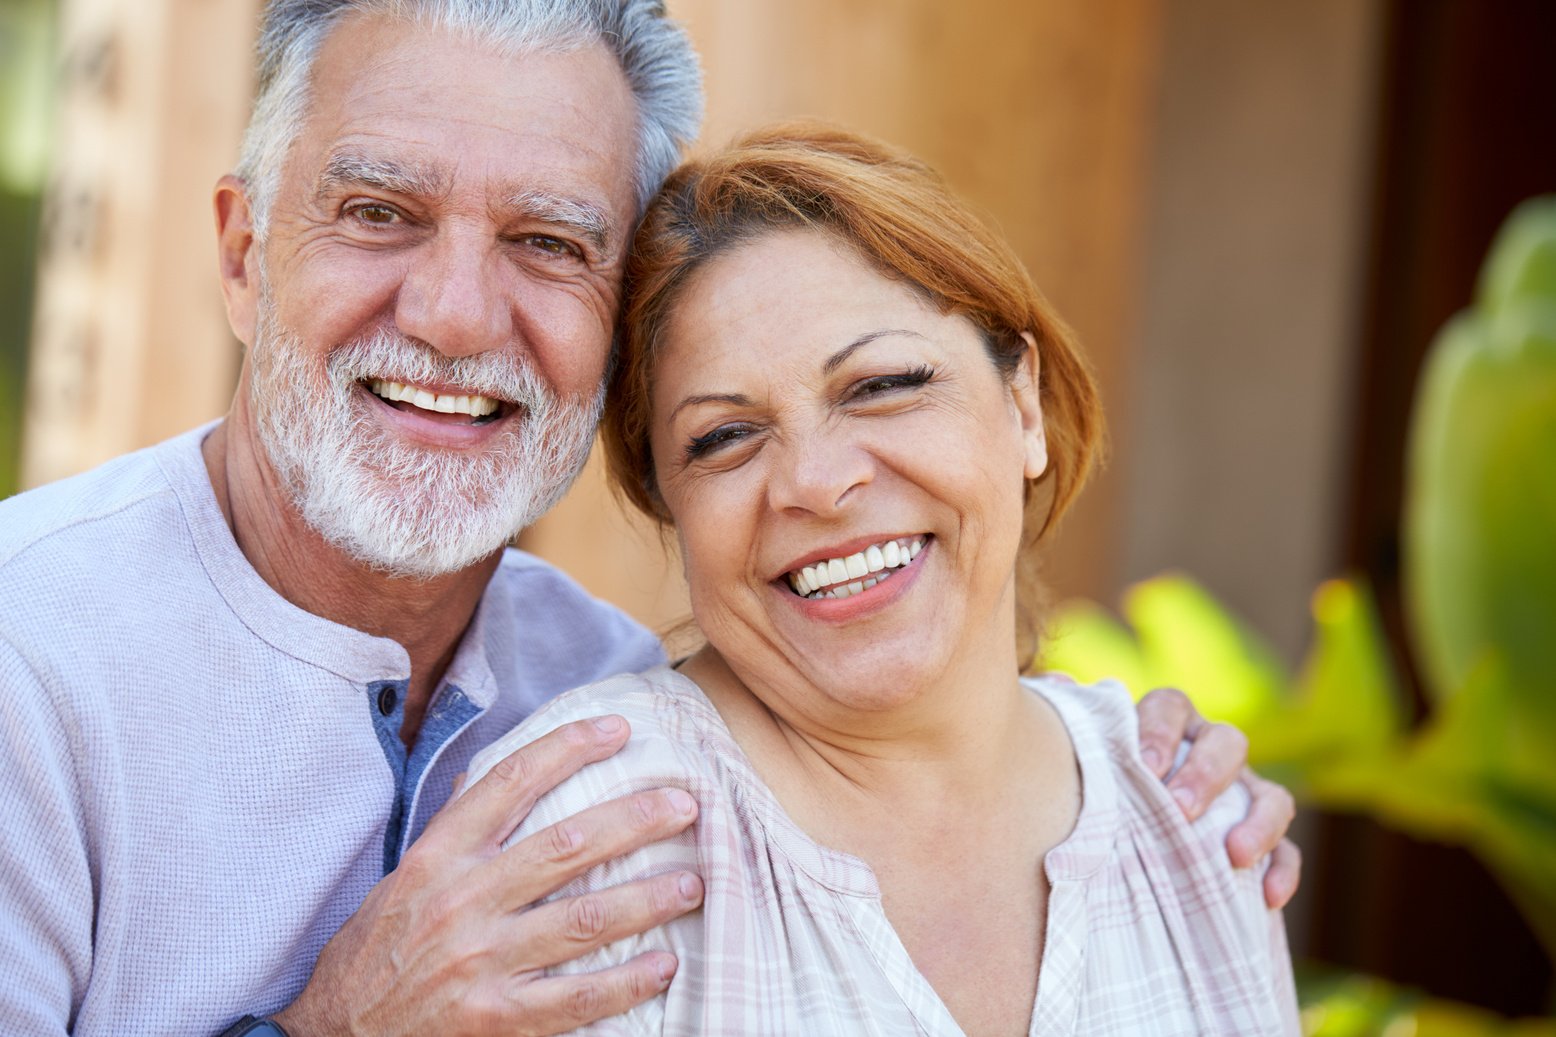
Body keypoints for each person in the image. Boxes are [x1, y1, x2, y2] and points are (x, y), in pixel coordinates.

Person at [0, 2, 1296, 1035]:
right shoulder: (29, 658)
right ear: (242, 254)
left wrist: (1125, 761)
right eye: (380, 213)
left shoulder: (599, 680)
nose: (455, 313)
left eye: (549, 242)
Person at [464, 123, 1302, 1035]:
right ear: (672, 505)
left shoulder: (1192, 818)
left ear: (1022, 405)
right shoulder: (595, 833)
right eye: (724, 437)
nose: (818, 484)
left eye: (882, 384)